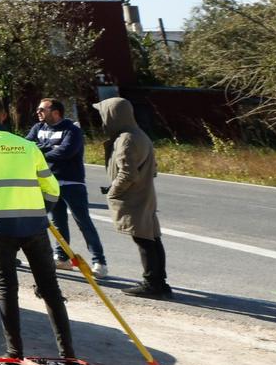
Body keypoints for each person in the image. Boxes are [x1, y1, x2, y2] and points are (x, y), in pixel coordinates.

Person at [0, 93, 75, 361]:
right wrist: (41, 211)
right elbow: (52, 189)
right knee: (50, 288)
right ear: (5, 116)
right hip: (34, 225)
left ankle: (14, 352)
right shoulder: (27, 147)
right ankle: (68, 353)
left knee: (7, 287)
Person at [96, 96, 173, 299]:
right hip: (143, 194)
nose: (102, 119)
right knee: (151, 238)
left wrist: (113, 192)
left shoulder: (127, 139)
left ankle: (152, 283)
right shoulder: (138, 134)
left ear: (113, 115)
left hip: (134, 198)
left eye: (104, 114)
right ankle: (158, 281)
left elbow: (127, 173)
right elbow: (152, 169)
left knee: (144, 240)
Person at [34, 97, 108, 277]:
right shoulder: (38, 128)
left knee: (83, 222)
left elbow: (65, 152)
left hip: (72, 183)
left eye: (42, 109)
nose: (38, 112)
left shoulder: (72, 130)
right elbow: (29, 147)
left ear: (56, 112)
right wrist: (49, 147)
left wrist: (42, 150)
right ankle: (63, 258)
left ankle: (99, 262)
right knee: (58, 223)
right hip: (49, 183)